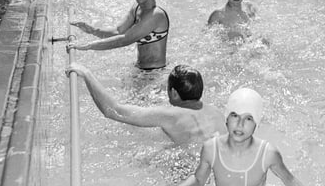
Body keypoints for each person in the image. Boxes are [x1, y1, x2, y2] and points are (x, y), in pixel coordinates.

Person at [164, 88, 325, 186]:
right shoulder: (211, 149)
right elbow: (199, 181)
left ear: (256, 124)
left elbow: (291, 181)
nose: (240, 124)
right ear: (226, 119)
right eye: (235, 115)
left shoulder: (267, 153)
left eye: (248, 118)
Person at [65, 62, 224, 144]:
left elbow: (113, 110)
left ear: (174, 92)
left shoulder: (170, 115)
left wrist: (86, 74)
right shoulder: (216, 112)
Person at [69, 0, 169, 70]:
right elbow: (118, 31)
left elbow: (124, 40)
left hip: (155, 73)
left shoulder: (156, 15)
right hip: (140, 69)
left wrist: (89, 45)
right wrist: (93, 30)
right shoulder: (136, 8)